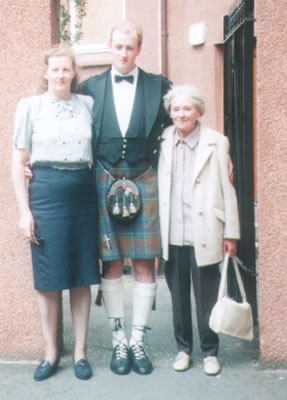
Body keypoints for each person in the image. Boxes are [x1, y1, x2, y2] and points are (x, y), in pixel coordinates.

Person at [78, 21, 172, 375]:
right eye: (118, 46)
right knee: (112, 263)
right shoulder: (89, 88)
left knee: (145, 263)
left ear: (138, 49)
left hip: (144, 176)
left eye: (129, 47)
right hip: (103, 177)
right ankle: (119, 344)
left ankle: (138, 340)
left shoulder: (160, 86)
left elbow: (183, 119)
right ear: (109, 45)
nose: (123, 53)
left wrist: (219, 148)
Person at [12, 44, 101, 381]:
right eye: (55, 69)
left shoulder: (88, 105)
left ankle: (80, 352)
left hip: (82, 192)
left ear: (74, 73)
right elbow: (18, 162)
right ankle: (51, 352)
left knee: (81, 277)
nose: (61, 75)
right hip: (46, 194)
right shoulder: (30, 107)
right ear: (46, 72)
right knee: (48, 281)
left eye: (67, 69)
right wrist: (25, 212)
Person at [158, 85, 240, 376]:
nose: (181, 114)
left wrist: (231, 233)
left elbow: (227, 190)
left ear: (199, 111)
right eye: (176, 109)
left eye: (187, 108)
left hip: (204, 230)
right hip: (173, 232)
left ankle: (209, 352)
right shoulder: (165, 139)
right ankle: (183, 349)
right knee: (178, 297)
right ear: (170, 113)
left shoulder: (216, 142)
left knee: (206, 296)